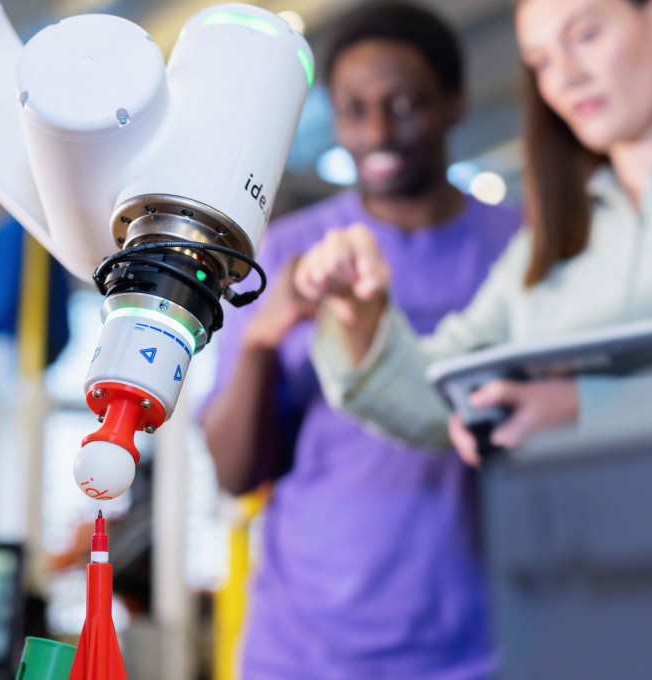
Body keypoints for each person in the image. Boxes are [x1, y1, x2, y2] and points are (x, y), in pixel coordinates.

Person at [294, 0, 652, 466]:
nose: (565, 77)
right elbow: (441, 396)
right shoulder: (549, 242)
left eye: (586, 35)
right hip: (592, 565)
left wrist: (583, 407)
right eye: (541, 61)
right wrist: (360, 314)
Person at [200, 3, 520, 678]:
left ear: (453, 103)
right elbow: (234, 473)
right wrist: (264, 331)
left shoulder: (521, 246)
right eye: (353, 109)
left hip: (481, 639)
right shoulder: (287, 252)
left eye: (403, 104)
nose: (376, 131)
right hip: (305, 647)